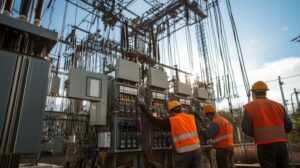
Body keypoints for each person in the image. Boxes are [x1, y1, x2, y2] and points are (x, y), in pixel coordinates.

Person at [241, 81, 293, 168]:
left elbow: (245, 128)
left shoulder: (249, 107)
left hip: (264, 145)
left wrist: (257, 135)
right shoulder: (279, 106)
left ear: (253, 93)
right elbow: (289, 126)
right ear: (265, 92)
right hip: (281, 144)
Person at [142, 100, 202, 168]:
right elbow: (198, 131)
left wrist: (145, 112)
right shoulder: (191, 118)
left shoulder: (173, 120)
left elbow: (157, 122)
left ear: (172, 112)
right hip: (197, 151)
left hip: (184, 154)